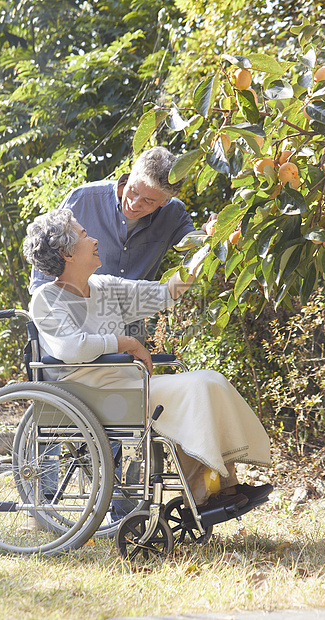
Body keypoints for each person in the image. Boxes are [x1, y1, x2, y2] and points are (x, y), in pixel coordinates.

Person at [23, 208, 273, 508]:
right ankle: (206, 493)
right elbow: (70, 349)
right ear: (67, 253)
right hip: (93, 394)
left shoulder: (105, 287)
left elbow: (169, 292)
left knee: (209, 382)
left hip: (130, 386)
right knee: (198, 388)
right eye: (85, 235)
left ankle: (222, 487)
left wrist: (207, 245)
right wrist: (125, 342)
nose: (95, 240)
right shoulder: (46, 299)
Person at [29, 146, 198, 341]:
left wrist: (214, 234)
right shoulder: (83, 200)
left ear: (165, 201)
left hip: (130, 338)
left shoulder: (173, 214)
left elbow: (193, 254)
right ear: (129, 174)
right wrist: (52, 328)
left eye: (148, 201)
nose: (134, 204)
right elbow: (43, 276)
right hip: (71, 330)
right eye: (133, 191)